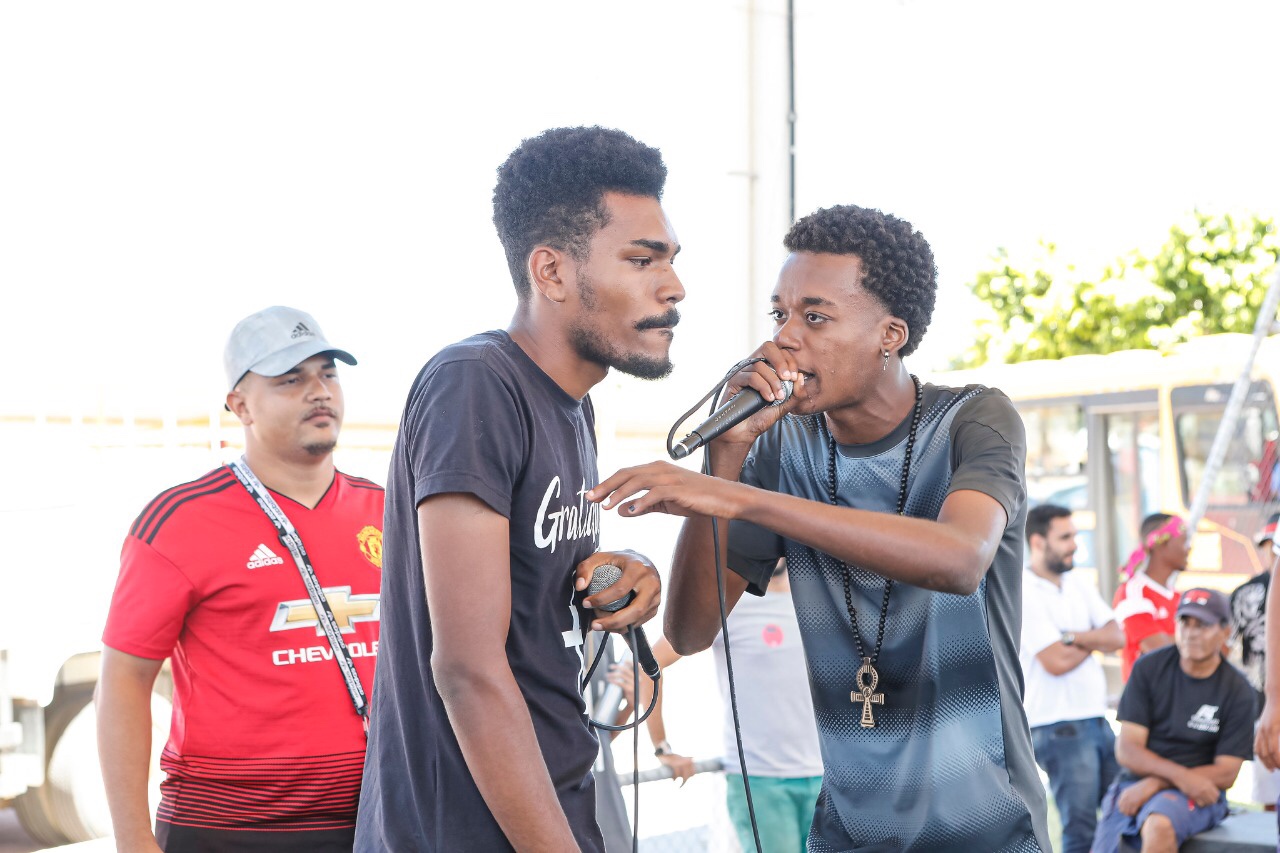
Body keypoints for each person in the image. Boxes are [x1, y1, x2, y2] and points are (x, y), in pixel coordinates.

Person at [588, 204, 1051, 851]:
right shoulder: (781, 448)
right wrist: (725, 459)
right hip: (848, 831)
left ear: (890, 333)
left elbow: (959, 558)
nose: (785, 339)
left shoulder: (974, 417)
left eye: (814, 316)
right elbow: (689, 630)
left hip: (983, 827)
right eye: (779, 315)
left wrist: (738, 497)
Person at [355, 126, 678, 852]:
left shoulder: (574, 408)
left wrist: (623, 577)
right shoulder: (474, 384)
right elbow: (466, 666)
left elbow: (528, 603)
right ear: (552, 272)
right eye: (642, 259)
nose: (673, 286)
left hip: (556, 806)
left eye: (670, 260)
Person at [96, 306, 384, 852]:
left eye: (328, 372)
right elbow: (125, 680)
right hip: (227, 829)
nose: (318, 390)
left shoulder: (390, 511)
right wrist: (132, 838)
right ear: (240, 405)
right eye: (290, 379)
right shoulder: (179, 520)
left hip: (379, 820)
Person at [607, 561, 823, 853]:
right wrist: (662, 748)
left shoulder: (819, 599)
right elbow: (647, 666)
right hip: (760, 782)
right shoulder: (731, 603)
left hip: (827, 776)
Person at [1092, 588, 1256, 853]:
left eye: (1203, 624)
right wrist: (1170, 778)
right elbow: (1127, 749)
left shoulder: (1238, 690)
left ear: (1226, 632)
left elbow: (1226, 772)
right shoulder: (1149, 667)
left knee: (1160, 824)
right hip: (1135, 782)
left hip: (1198, 790)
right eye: (1184, 622)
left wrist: (1157, 783)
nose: (1191, 632)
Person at [1020, 503, 1124, 853]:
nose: (1075, 545)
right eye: (1065, 537)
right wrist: (1090, 639)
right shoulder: (1022, 589)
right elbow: (1056, 662)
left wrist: (1070, 636)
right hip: (1057, 725)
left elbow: (1117, 637)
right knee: (1081, 829)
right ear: (1038, 542)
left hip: (1096, 719)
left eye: (1075, 536)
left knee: (1123, 816)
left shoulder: (1077, 582)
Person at [1233, 511, 1280, 809]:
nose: (1270, 553)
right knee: (1267, 782)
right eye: (1268, 545)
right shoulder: (1245, 592)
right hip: (1261, 694)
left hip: (1267, 695)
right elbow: (1227, 644)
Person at [1112, 513, 1189, 681]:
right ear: (1160, 545)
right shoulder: (1132, 592)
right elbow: (1160, 650)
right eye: (1183, 542)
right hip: (1148, 702)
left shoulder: (1178, 596)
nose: (1189, 548)